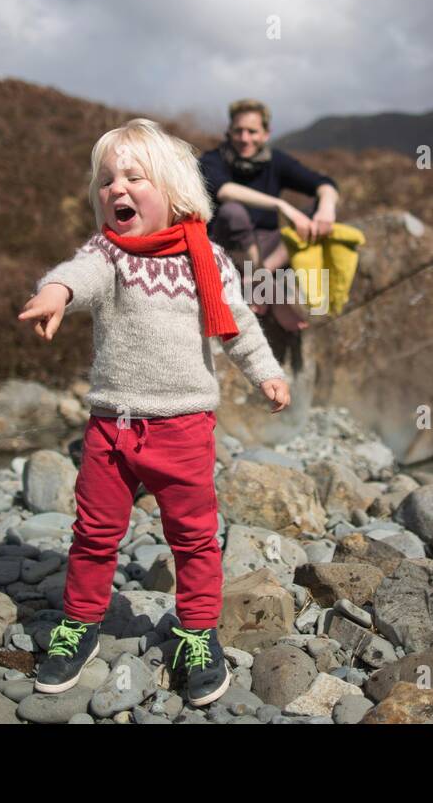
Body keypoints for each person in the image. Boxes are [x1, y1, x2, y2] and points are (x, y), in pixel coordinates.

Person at [18, 118, 290, 707]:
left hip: (185, 425)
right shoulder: (109, 253)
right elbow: (79, 273)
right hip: (111, 426)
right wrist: (55, 293)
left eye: (134, 177)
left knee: (193, 537)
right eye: (106, 180)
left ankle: (197, 632)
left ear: (174, 192)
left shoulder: (206, 258)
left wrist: (266, 372)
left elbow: (239, 326)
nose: (117, 189)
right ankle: (81, 622)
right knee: (93, 533)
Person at [199, 98, 342, 332]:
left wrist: (326, 207)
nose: (245, 138)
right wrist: (280, 205)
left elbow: (324, 183)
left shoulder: (275, 161)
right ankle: (267, 287)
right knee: (233, 212)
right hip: (230, 248)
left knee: (318, 213)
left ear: (266, 134)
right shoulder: (212, 160)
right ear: (229, 132)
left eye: (252, 131)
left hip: (269, 249)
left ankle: (259, 279)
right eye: (238, 131)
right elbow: (225, 191)